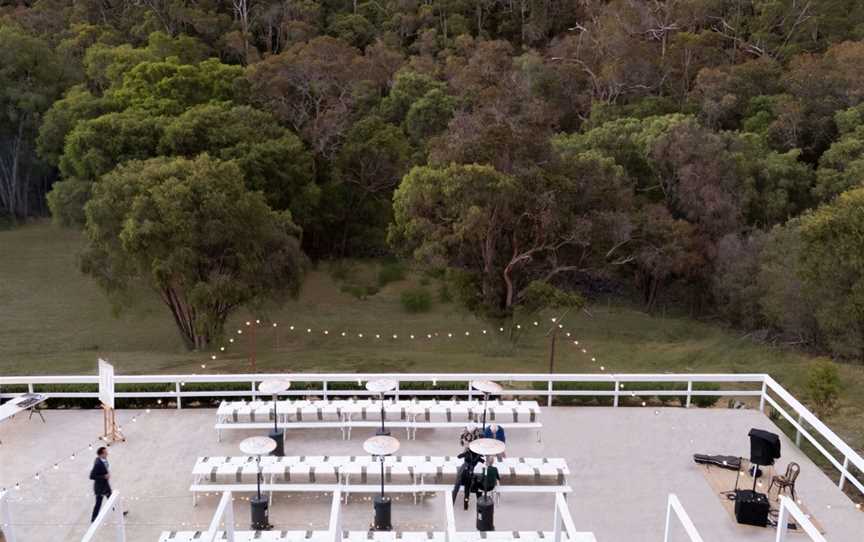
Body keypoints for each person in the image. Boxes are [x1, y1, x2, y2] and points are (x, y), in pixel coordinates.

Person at [89, 447, 112, 522]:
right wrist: (104, 476)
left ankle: (120, 512)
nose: (107, 453)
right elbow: (91, 476)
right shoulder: (98, 464)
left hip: (105, 485)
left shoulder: (103, 460)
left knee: (111, 499)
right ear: (101, 454)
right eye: (105, 453)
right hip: (100, 488)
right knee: (98, 504)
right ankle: (93, 519)